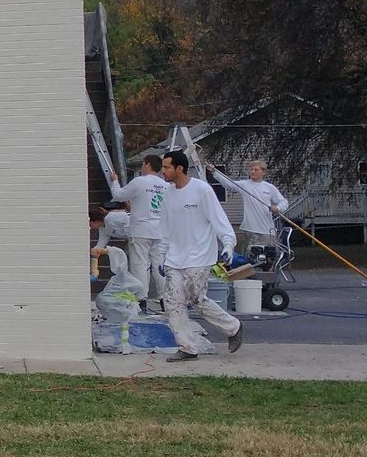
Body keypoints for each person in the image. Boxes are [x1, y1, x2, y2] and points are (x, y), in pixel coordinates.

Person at [158, 148, 243, 360]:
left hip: (199, 256)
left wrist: (228, 245)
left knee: (197, 299)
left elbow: (220, 221)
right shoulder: (167, 194)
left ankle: (233, 327)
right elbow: (165, 227)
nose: (163, 171)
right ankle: (187, 347)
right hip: (174, 258)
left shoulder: (201, 190)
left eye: (167, 167)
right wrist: (161, 255)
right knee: (172, 301)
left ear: (180, 168)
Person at [108, 154, 167, 312]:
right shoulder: (164, 185)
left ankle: (141, 299)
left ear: (147, 164)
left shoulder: (140, 182)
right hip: (160, 230)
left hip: (141, 230)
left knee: (140, 264)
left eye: (143, 164)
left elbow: (118, 195)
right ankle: (164, 299)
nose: (141, 167)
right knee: (159, 265)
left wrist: (114, 180)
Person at [214, 158, 288, 257]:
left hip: (267, 230)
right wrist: (214, 171)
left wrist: (277, 208)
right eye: (251, 170)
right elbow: (229, 184)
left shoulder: (269, 188)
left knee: (268, 258)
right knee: (250, 258)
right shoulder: (245, 185)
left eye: (256, 170)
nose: (252, 172)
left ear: (263, 172)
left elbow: (284, 202)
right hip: (250, 229)